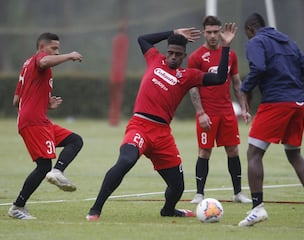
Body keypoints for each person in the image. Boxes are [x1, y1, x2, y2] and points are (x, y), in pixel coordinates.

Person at [86, 23, 237, 221]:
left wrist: (225, 46)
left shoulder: (188, 75)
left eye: (178, 54)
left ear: (184, 56)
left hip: (162, 134)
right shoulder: (155, 59)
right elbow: (143, 39)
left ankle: (168, 210)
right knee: (126, 161)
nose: (173, 56)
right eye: (171, 52)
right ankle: (95, 210)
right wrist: (172, 33)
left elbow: (219, 78)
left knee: (177, 186)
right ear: (166, 52)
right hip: (140, 125)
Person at [237, 13, 304, 227]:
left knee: (254, 153)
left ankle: (257, 208)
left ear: (250, 30)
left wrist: (245, 89)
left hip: (276, 102)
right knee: (294, 153)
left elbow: (259, 68)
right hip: (298, 104)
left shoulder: (256, 41)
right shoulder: (290, 43)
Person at [8, 32, 84, 220]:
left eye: (58, 49)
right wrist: (70, 55)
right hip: (33, 121)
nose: (57, 53)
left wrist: (44, 103)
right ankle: (17, 207)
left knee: (75, 140)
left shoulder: (27, 66)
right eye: (54, 48)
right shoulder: (39, 60)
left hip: (38, 118)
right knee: (43, 166)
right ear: (42, 47)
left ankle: (57, 171)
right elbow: (43, 62)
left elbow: (16, 100)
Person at [187, 16, 251, 204]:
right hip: (208, 112)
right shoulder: (196, 57)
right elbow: (193, 87)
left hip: (227, 112)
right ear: (204, 33)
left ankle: (238, 193)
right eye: (209, 32)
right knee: (204, 152)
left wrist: (244, 107)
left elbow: (237, 84)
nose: (213, 36)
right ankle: (199, 194)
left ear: (221, 31)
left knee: (233, 150)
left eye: (216, 31)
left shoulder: (230, 55)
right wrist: (201, 113)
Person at [108, 20, 129, 126]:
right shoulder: (123, 39)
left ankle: (113, 119)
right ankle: (115, 120)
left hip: (114, 73)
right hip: (119, 73)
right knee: (117, 98)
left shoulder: (115, 39)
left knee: (113, 98)